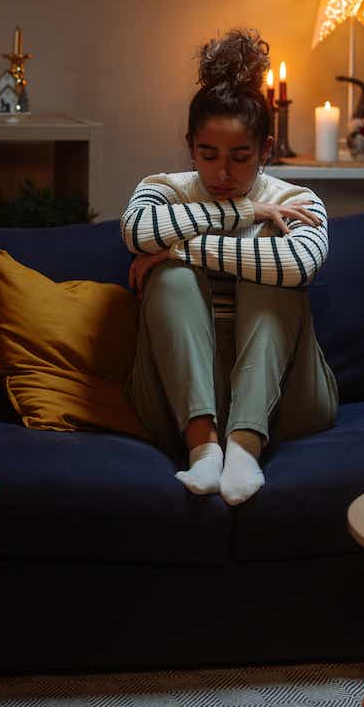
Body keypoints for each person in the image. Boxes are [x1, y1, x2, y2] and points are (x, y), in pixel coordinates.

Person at [120, 29, 338, 506]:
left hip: (288, 398)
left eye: (240, 158)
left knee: (269, 274)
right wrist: (239, 213)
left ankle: (244, 447)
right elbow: (136, 232)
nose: (222, 173)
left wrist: (180, 249)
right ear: (189, 146)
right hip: (172, 397)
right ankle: (203, 448)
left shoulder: (296, 201)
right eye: (208, 155)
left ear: (266, 149)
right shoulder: (164, 188)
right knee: (171, 280)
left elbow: (301, 266)